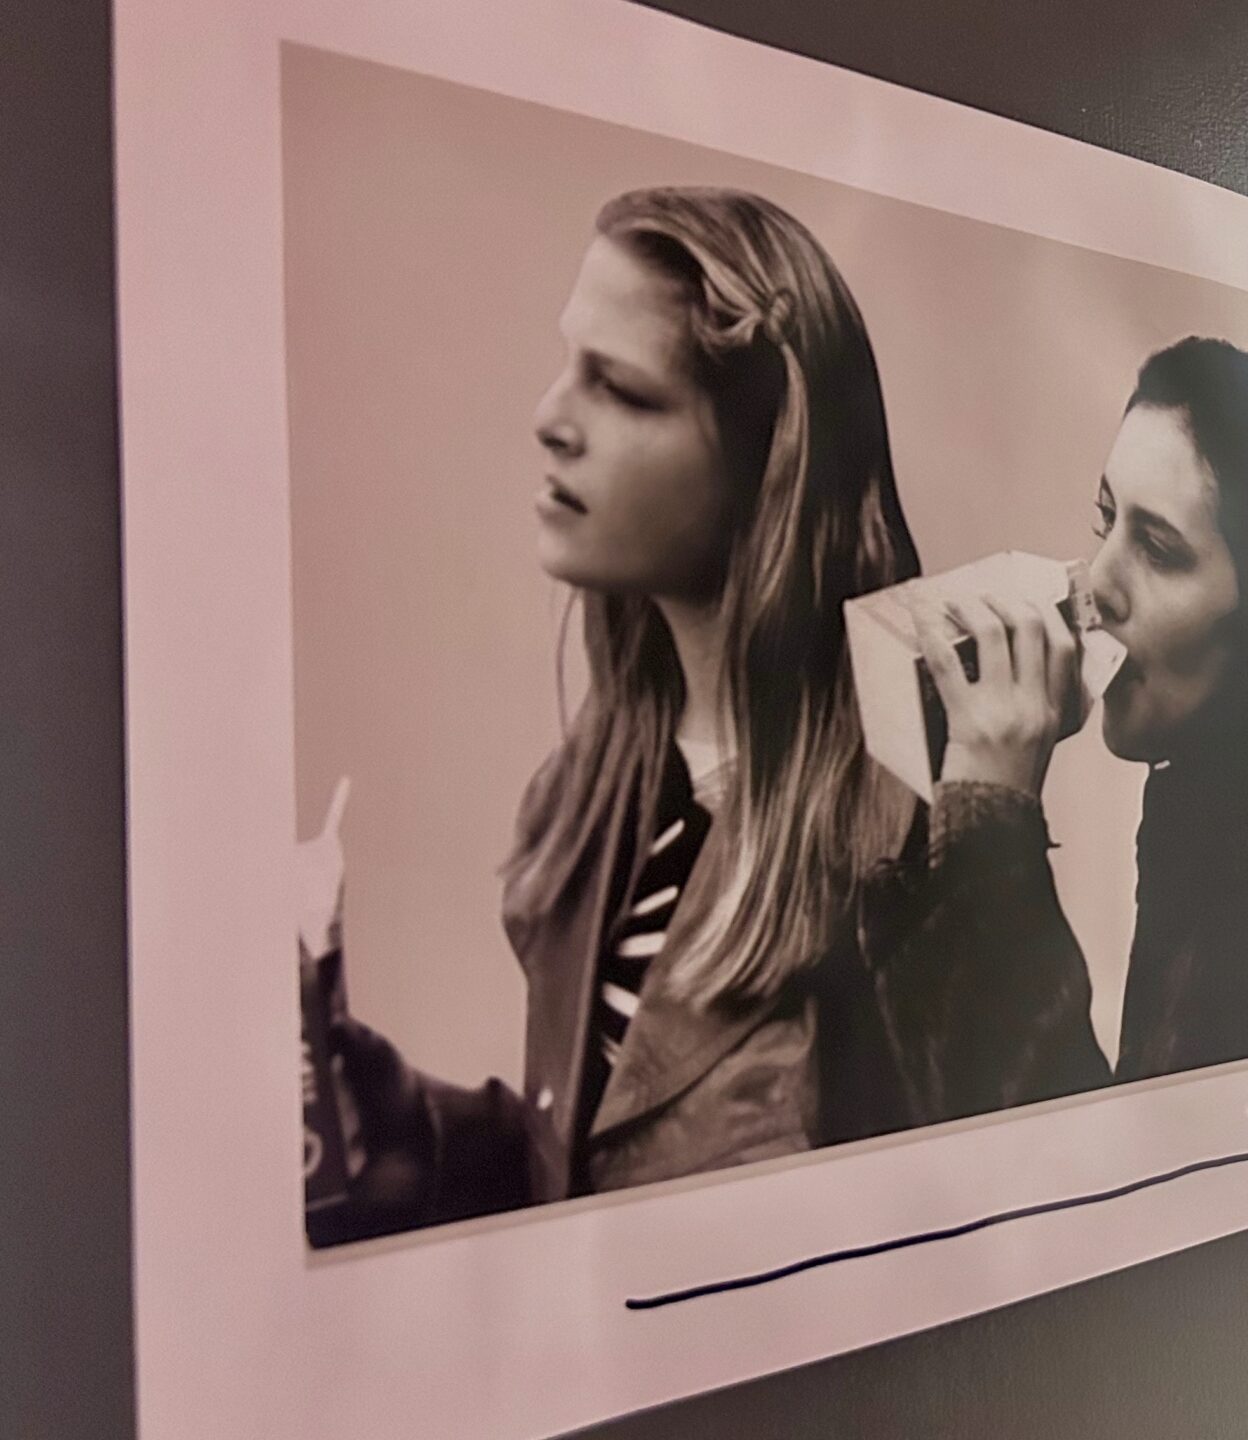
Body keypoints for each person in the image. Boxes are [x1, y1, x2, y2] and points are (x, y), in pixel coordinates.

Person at [303, 187, 1110, 1244]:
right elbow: (601, 1169)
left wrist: (992, 826)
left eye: (621, 391)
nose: (549, 418)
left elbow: (1056, 1206)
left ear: (765, 460)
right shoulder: (593, 792)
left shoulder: (912, 820)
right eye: (568, 364)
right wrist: (404, 1122)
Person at [948, 336, 1248, 1081]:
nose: (1096, 583)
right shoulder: (1215, 803)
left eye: (1159, 550)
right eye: (1107, 521)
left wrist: (991, 825)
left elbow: (1116, 1169)